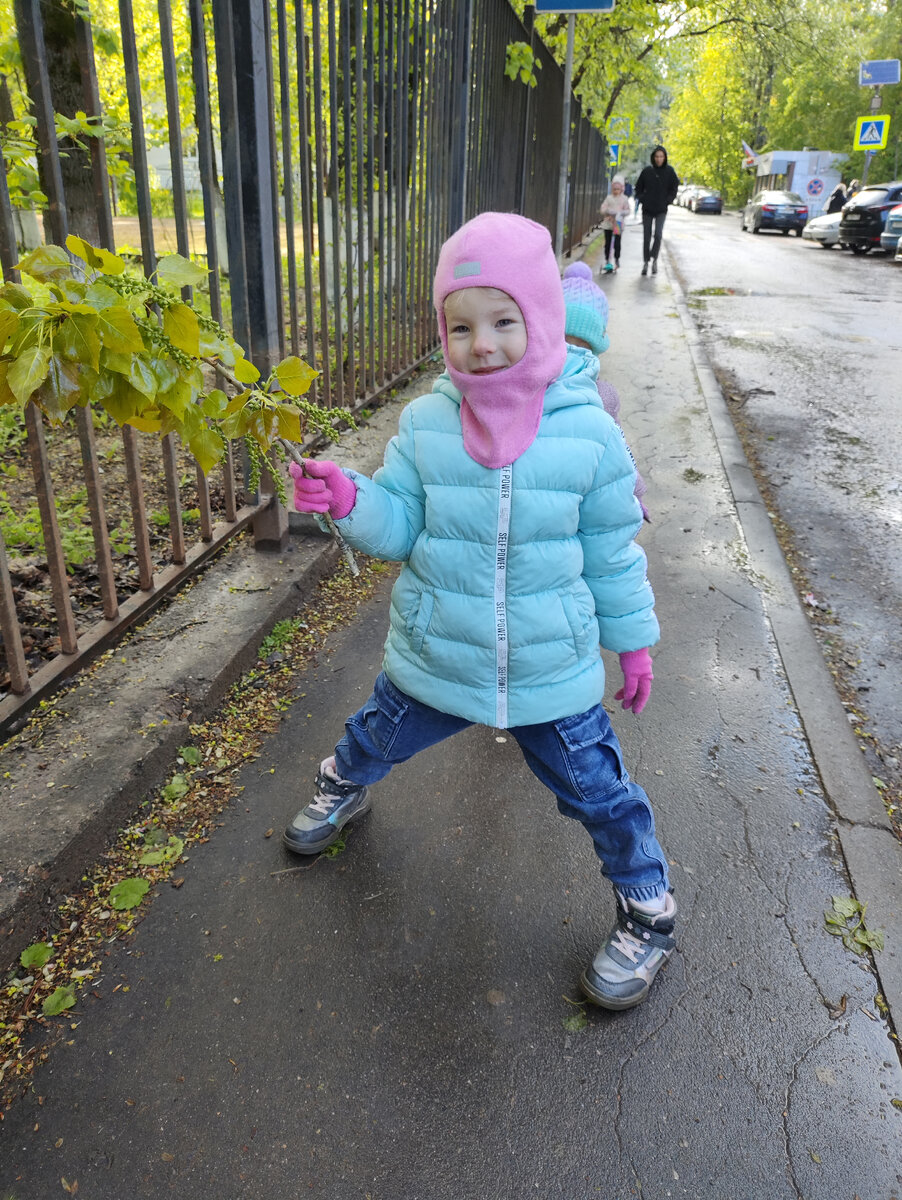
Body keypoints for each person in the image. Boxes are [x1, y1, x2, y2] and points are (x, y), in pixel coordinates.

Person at [286, 212, 675, 1011]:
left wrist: (632, 645)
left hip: (549, 670)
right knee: (374, 734)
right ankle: (341, 786)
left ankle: (648, 908)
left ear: (540, 320)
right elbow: (399, 523)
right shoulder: (428, 424)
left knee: (598, 791)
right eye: (460, 326)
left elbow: (611, 551)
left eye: (504, 321)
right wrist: (350, 498)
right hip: (439, 653)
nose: (482, 344)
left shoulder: (590, 435)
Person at [560, 262, 649, 520]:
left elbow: (622, 453)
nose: (570, 356)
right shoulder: (529, 387)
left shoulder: (604, 397)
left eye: (580, 348)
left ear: (595, 350)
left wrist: (636, 494)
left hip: (587, 500)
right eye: (562, 343)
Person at [634, 145, 679, 276]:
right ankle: (645, 262)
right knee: (646, 237)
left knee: (658, 235)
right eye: (657, 157)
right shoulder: (647, 171)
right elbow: (638, 188)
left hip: (661, 209)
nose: (659, 159)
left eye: (661, 157)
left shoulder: (670, 171)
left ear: (665, 158)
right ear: (653, 158)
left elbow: (674, 188)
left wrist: (668, 200)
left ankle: (654, 259)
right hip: (647, 209)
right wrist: (643, 199)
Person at [599, 175, 632, 273]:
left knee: (617, 243)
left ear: (621, 189)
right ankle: (607, 260)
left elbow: (628, 210)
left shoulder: (624, 199)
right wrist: (608, 211)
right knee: (608, 243)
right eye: (614, 189)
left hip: (618, 224)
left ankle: (616, 259)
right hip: (609, 224)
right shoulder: (609, 198)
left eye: (618, 189)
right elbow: (603, 208)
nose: (616, 191)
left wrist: (622, 213)